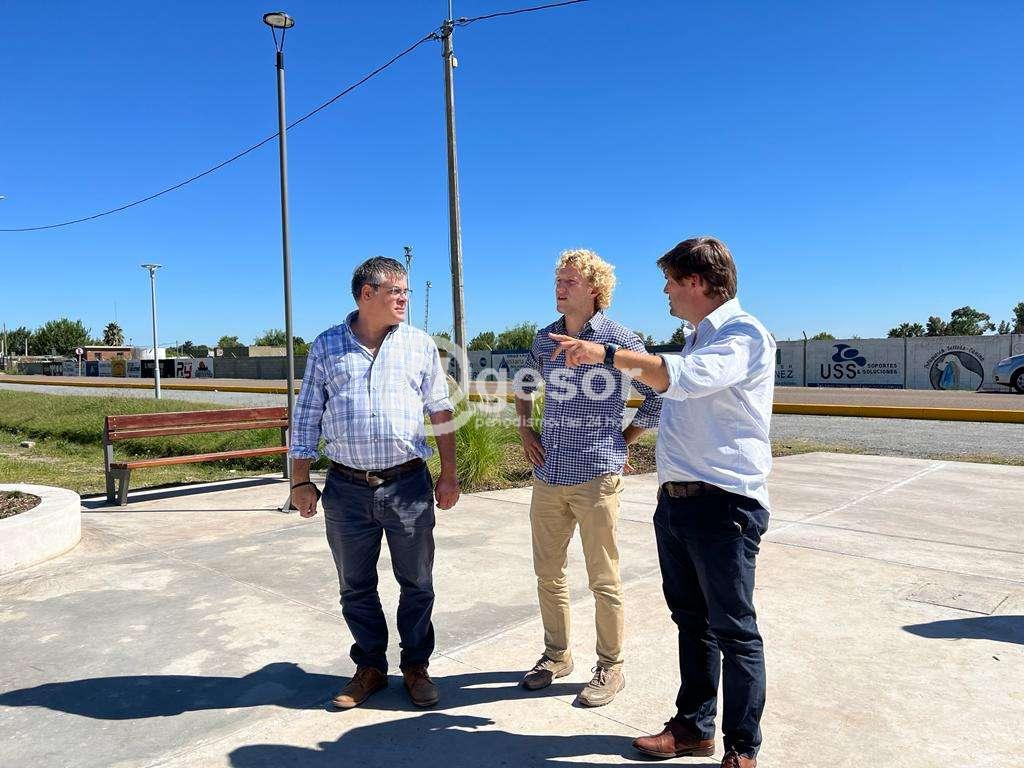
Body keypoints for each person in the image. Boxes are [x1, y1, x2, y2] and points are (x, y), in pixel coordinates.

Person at [549, 237, 774, 768]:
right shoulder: (696, 338)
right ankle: (693, 728)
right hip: (678, 504)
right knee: (692, 623)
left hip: (724, 506)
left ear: (696, 281)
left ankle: (742, 748)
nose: (666, 291)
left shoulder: (743, 334)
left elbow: (682, 380)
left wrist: (604, 354)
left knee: (734, 630)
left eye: (671, 281)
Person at [289, 256, 460, 710]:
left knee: (417, 582)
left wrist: (449, 473)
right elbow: (306, 415)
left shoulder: (419, 344)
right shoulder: (327, 346)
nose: (404, 299)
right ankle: (370, 668)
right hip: (346, 489)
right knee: (355, 585)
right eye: (396, 291)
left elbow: (440, 410)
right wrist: (300, 481)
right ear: (368, 294)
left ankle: (416, 666)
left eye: (405, 291)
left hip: (408, 485)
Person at [515, 249, 662, 707]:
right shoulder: (544, 340)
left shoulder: (619, 339)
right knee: (548, 573)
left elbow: (658, 393)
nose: (559, 288)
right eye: (557, 281)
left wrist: (625, 439)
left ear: (595, 289)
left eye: (570, 282)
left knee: (604, 577)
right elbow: (523, 383)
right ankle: (556, 655)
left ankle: (610, 665)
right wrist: (525, 429)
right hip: (549, 473)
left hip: (596, 475)